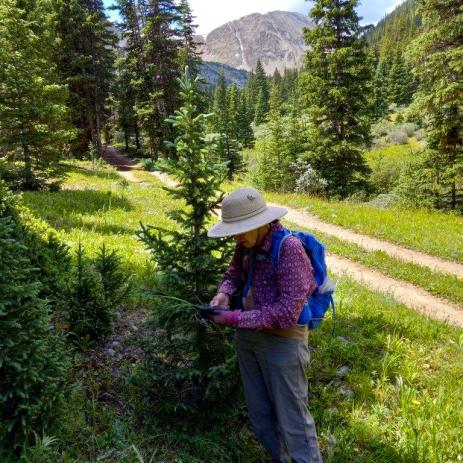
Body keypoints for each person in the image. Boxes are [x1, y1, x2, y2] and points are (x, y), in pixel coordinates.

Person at [207, 187, 323, 463]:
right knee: (260, 414)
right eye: (234, 230)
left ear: (261, 223)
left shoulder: (290, 249)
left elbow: (285, 313)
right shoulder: (245, 244)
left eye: (243, 229)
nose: (238, 236)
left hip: (283, 344)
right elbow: (233, 274)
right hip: (248, 339)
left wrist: (233, 318)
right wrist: (223, 293)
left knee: (294, 419)